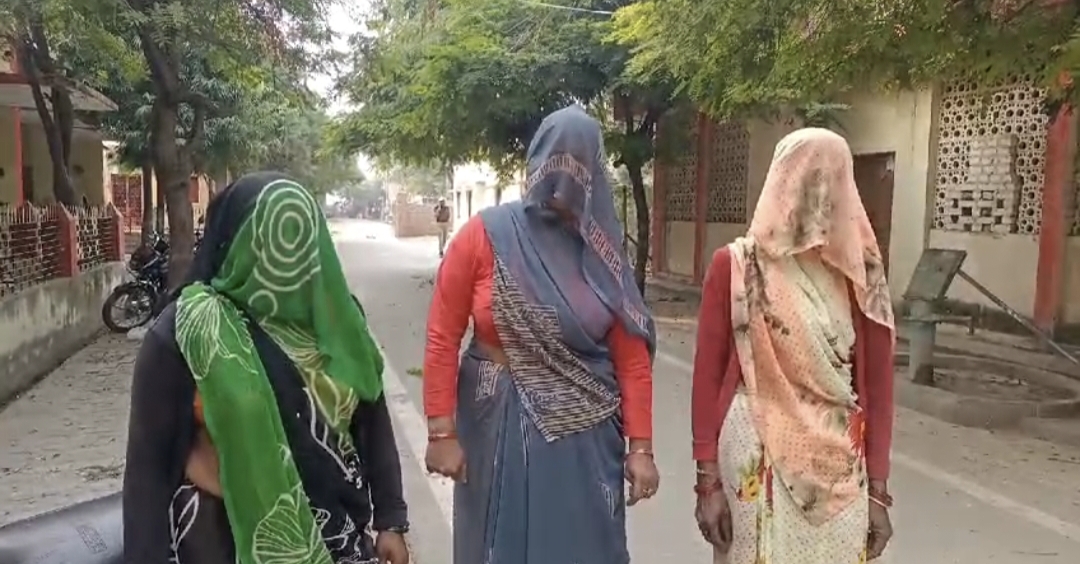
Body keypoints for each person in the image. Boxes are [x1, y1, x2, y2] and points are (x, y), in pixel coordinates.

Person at [122, 172, 410, 564]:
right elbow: (148, 469)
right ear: (234, 242)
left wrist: (391, 519)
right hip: (223, 544)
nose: (288, 258)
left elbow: (372, 420)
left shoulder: (338, 319)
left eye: (300, 238)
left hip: (340, 538)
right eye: (270, 240)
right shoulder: (189, 330)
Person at [423, 106, 660, 564]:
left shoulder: (603, 252)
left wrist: (641, 448)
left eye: (577, 164)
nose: (563, 178)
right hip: (497, 424)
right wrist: (440, 432)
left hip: (587, 440)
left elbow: (631, 359)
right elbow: (442, 336)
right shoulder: (485, 234)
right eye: (556, 159)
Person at [691, 128, 896, 563]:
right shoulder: (737, 266)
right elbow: (707, 377)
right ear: (782, 180)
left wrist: (878, 491)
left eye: (828, 179)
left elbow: (878, 390)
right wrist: (707, 481)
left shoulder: (862, 277)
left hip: (840, 468)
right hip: (756, 451)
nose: (816, 193)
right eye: (805, 177)